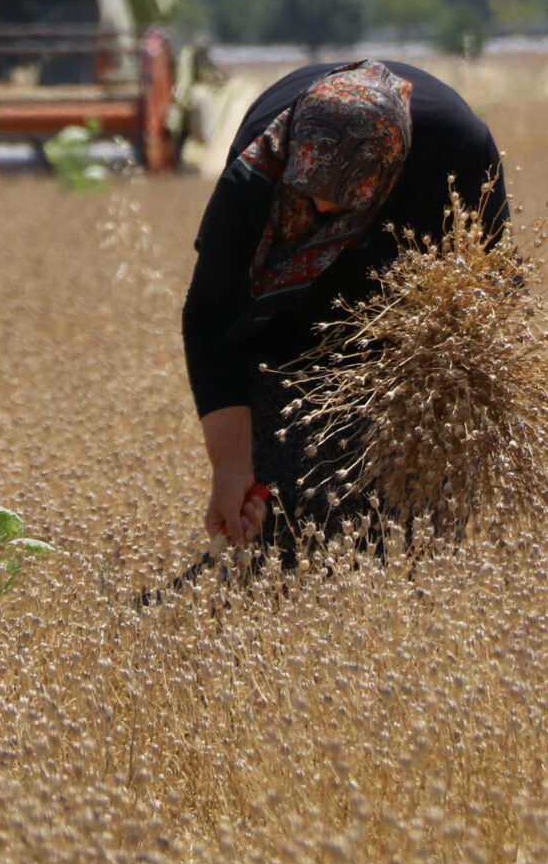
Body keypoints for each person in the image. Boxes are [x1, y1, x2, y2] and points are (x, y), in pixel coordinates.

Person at [180, 59, 507, 555]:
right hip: (287, 320)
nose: (322, 210)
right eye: (311, 192)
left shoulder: (456, 155)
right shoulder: (256, 171)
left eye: (342, 199)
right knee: (287, 500)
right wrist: (231, 468)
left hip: (404, 322)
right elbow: (211, 317)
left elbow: (491, 295)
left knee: (409, 516)